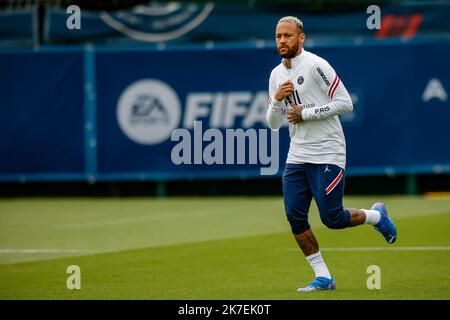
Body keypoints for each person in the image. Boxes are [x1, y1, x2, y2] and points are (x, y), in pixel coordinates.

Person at [266, 16, 397, 292]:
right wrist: (277, 100)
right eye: (278, 36)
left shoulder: (315, 65)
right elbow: (274, 124)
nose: (282, 41)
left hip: (328, 152)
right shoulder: (276, 76)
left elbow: (345, 103)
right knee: (295, 217)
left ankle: (376, 216)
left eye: (288, 36)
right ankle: (323, 277)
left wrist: (307, 113)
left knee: (332, 219)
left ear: (301, 38)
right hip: (297, 155)